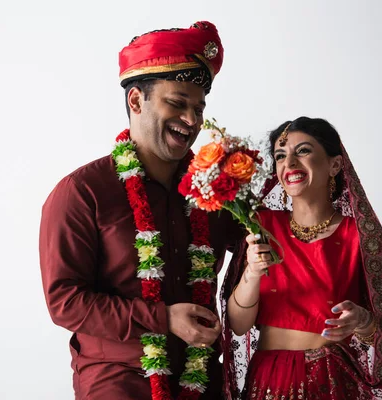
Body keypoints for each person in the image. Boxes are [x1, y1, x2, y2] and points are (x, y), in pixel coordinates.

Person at [39, 21, 246, 399]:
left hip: (204, 382)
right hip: (119, 381)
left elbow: (268, 244)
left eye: (199, 108)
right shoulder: (83, 192)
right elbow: (65, 301)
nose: (192, 120)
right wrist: (162, 319)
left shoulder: (213, 190)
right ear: (136, 101)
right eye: (177, 103)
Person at [221, 117, 382, 399]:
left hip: (331, 383)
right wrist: (251, 272)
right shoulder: (259, 226)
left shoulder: (360, 238)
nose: (289, 163)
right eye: (280, 155)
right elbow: (238, 325)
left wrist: (362, 321)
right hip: (268, 381)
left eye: (303, 151)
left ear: (335, 165)